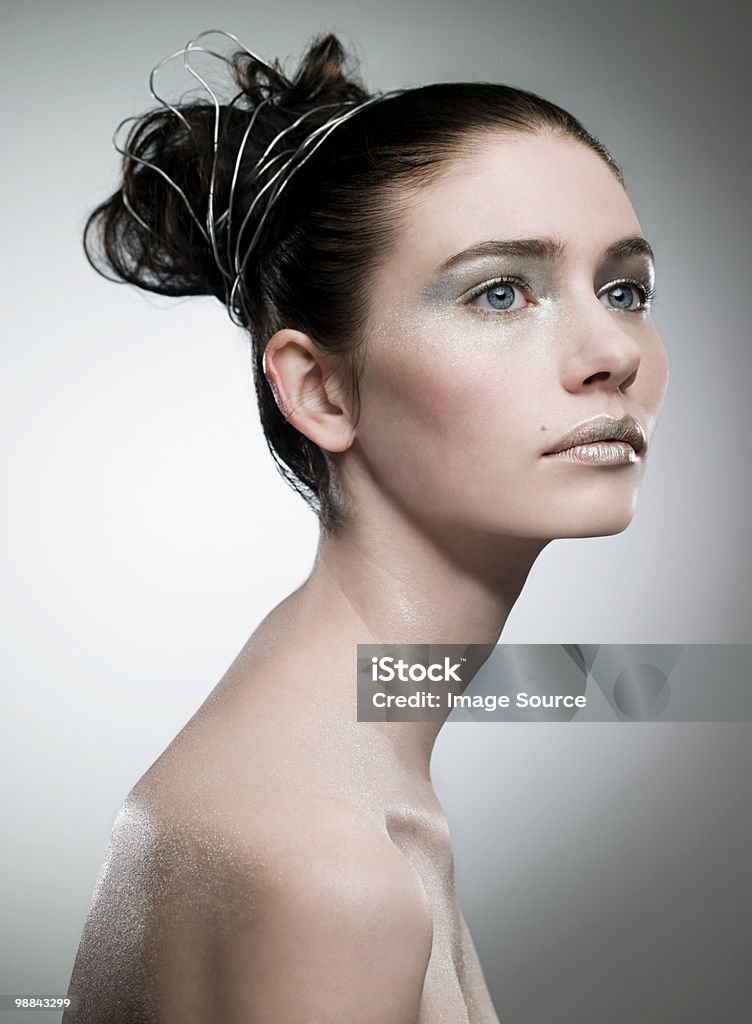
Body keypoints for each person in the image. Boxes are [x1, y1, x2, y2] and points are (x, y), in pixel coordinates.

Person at [64, 27, 669, 1024]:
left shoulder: (325, 743)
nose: (612, 350)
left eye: (624, 289)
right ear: (322, 389)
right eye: (499, 292)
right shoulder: (327, 872)